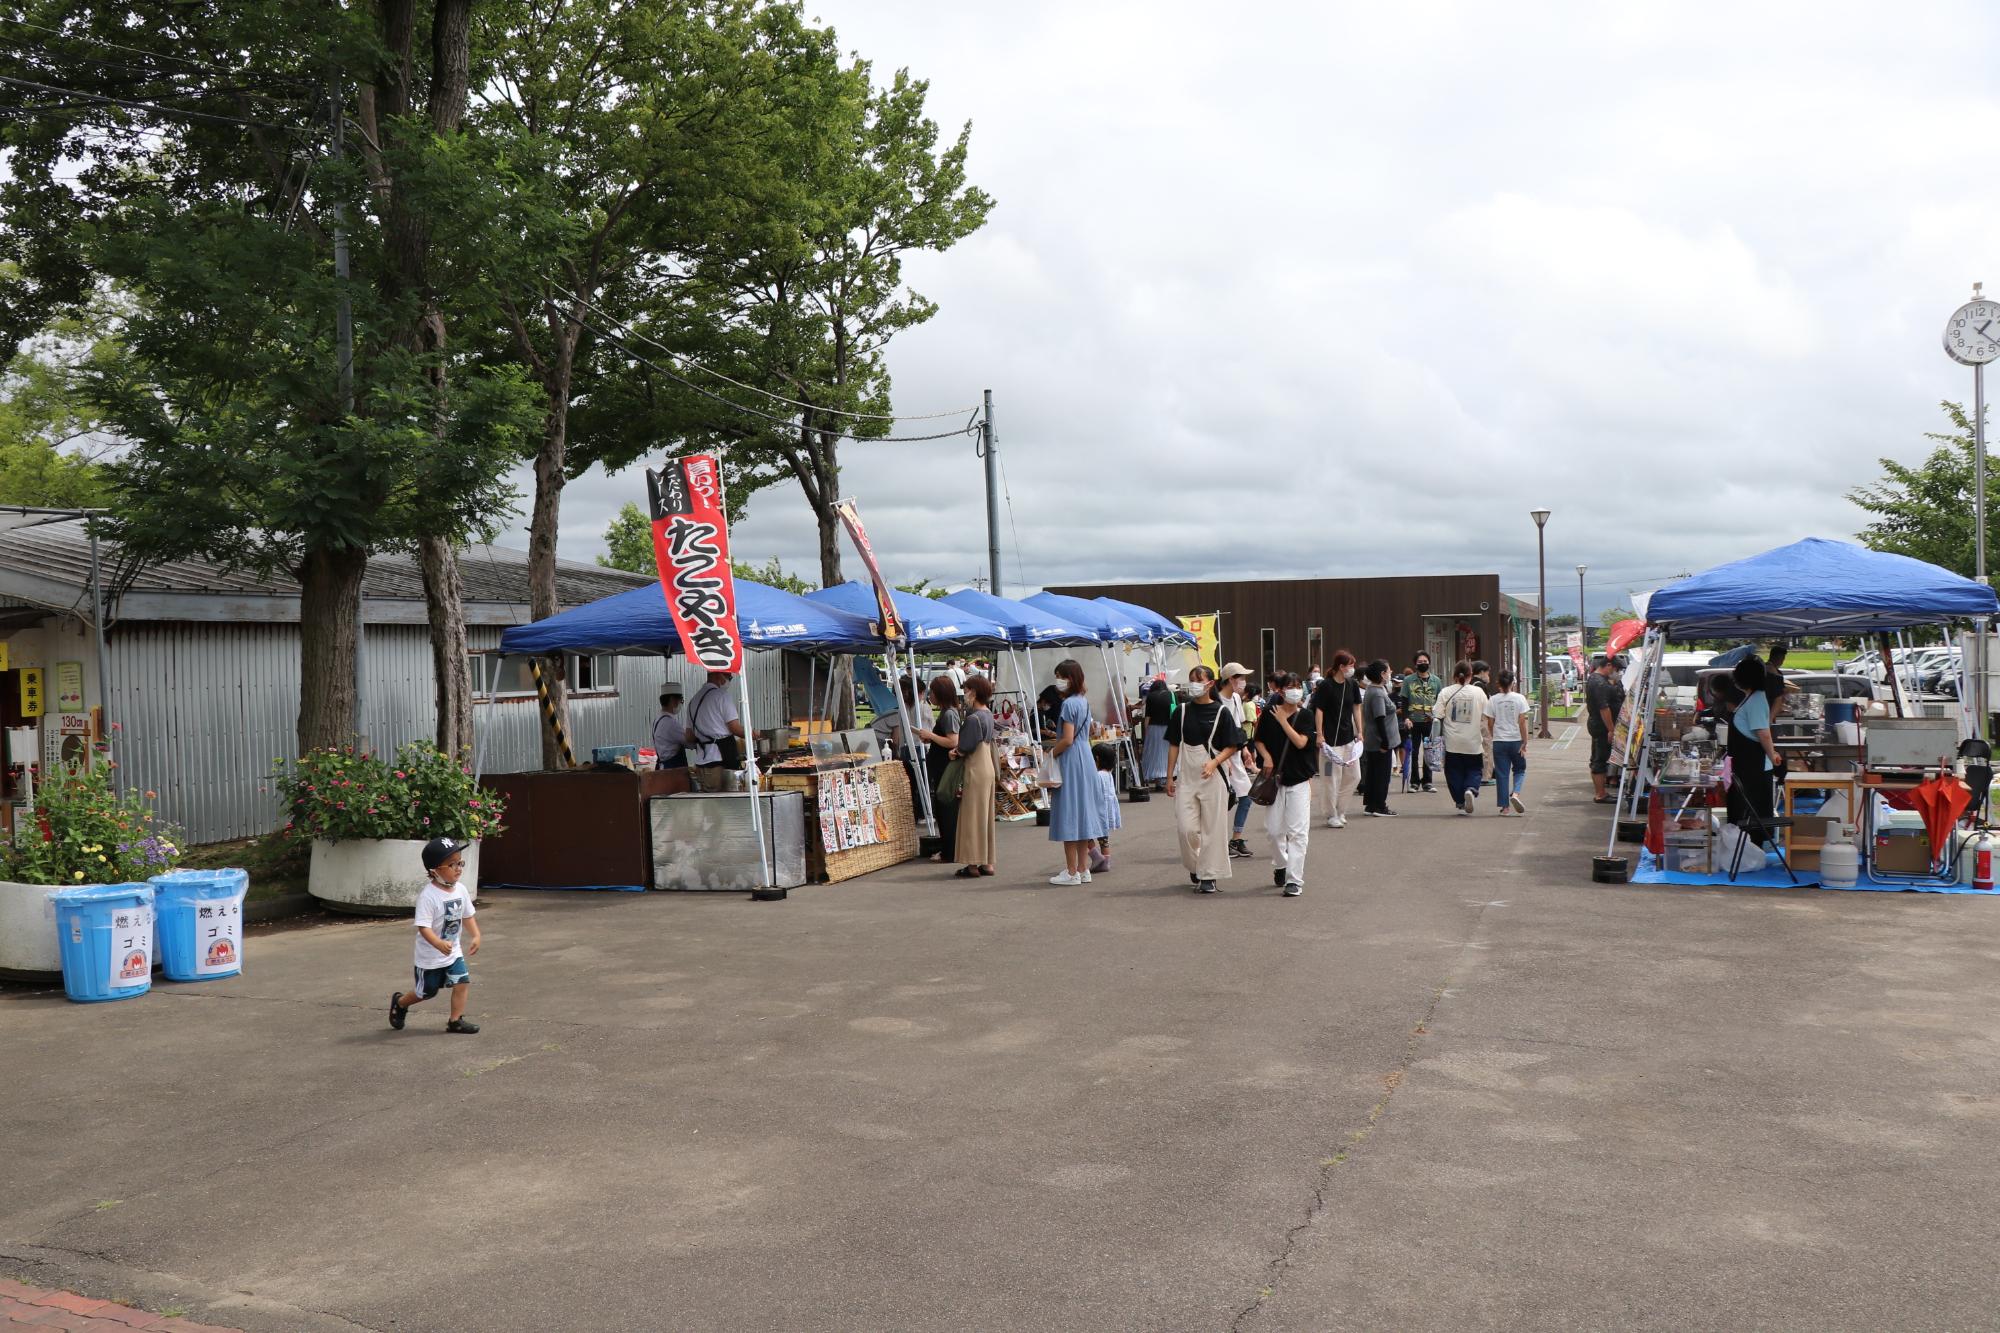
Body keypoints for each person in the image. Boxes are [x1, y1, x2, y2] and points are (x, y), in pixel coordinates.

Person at [388, 837, 482, 1035]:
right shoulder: (428, 896)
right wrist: (438, 943)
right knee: (427, 992)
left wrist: (476, 935)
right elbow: (423, 927)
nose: (458, 868)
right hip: (429, 957)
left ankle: (455, 1021)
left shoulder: (461, 890)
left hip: (453, 952)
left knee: (462, 982)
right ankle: (401, 1002)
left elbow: (468, 915)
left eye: (460, 862)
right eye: (452, 864)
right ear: (435, 871)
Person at [1168, 664, 1245, 893]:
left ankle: (1209, 876)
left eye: (1198, 680)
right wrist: (1169, 776)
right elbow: (1173, 744)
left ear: (1210, 684)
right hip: (1187, 776)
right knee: (1186, 828)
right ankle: (1197, 865)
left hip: (1214, 776)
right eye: (1191, 679)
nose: (1194, 684)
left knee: (1213, 828)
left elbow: (1233, 745)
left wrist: (1214, 762)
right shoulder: (1180, 711)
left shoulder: (1222, 712)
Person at [1255, 672, 1318, 896]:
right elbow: (1258, 739)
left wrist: (1284, 722)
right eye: (1289, 686)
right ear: (1279, 691)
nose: (1294, 690)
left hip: (1299, 780)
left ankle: (1294, 880)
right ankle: (1281, 864)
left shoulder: (1306, 716)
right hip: (1275, 781)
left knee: (1298, 833)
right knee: (1273, 831)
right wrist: (1267, 757)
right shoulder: (1268, 714)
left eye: (1297, 685)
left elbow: (1301, 742)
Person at [1045, 659, 1107, 885]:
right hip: (1086, 757)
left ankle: (1071, 871)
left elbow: (1067, 739)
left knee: (1069, 814)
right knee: (1083, 815)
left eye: (1061, 676)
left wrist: (1050, 755)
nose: (1058, 681)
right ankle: (1083, 869)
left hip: (1071, 760)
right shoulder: (1083, 701)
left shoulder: (1069, 704)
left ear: (1070, 678)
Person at [1726, 655, 1784, 832]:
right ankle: (1744, 846)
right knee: (1743, 810)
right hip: (1746, 765)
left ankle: (1752, 847)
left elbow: (1763, 733)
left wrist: (1772, 755)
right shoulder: (1750, 698)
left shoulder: (1757, 699)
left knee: (1753, 814)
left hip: (1754, 767)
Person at [951, 675, 997, 878]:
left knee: (971, 817)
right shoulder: (988, 714)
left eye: (967, 689)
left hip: (975, 767)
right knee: (985, 816)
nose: (965, 694)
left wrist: (954, 752)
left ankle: (971, 865)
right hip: (988, 765)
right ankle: (987, 863)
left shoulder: (972, 718)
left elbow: (965, 747)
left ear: (974, 692)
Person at [1311, 649, 1362, 828]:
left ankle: (1341, 810)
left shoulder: (1352, 684)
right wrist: (1320, 734)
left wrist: (1360, 731)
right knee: (1330, 779)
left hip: (1348, 739)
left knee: (1354, 776)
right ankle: (1331, 814)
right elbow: (1319, 710)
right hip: (1329, 742)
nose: (1352, 669)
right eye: (1350, 665)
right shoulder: (1326, 685)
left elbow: (1356, 708)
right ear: (1341, 667)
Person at [915, 676, 961, 864]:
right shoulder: (945, 712)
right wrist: (931, 738)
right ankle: (948, 849)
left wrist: (931, 736)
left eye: (932, 692)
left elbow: (953, 741)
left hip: (945, 768)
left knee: (946, 810)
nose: (930, 696)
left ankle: (949, 851)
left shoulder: (949, 714)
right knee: (943, 811)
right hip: (940, 765)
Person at [1435, 661, 1489, 815]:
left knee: (1453, 772)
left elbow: (1437, 715)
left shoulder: (1445, 692)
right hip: (1473, 741)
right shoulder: (1478, 692)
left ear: (1454, 675)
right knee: (1474, 769)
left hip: (1452, 742)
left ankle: (1460, 800)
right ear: (1470, 675)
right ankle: (1471, 789)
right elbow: (1487, 713)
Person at [1220, 662, 1257, 859]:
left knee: (1246, 796)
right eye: (1241, 677)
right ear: (1231, 679)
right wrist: (1222, 760)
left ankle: (1235, 839)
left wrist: (1244, 750)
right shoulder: (1215, 701)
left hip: (1235, 755)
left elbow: (1238, 728)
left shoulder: (1235, 699)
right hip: (1219, 758)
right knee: (1220, 802)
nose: (1244, 682)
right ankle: (1218, 841)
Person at [685, 670, 745, 791]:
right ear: (718, 675)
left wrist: (705, 735)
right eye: (729, 677)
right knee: (723, 804)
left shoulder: (693, 701)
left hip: (701, 763)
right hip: (720, 762)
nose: (729, 681)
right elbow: (735, 728)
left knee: (708, 803)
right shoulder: (722, 696)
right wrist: (757, 734)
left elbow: (689, 736)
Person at [1484, 668, 1531, 815]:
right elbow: (1522, 722)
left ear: (1498, 682)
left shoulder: (1493, 700)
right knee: (1520, 769)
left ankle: (1505, 808)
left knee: (1502, 773)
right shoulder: (1519, 698)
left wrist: (1494, 736)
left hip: (1499, 741)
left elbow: (1490, 722)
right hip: (1516, 740)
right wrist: (1525, 741)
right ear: (1512, 683)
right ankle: (1516, 794)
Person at [1358, 660, 1399, 817]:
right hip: (1379, 740)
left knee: (1374, 773)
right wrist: (1385, 741)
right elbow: (1379, 718)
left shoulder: (1375, 689)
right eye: (1388, 671)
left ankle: (1371, 804)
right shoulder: (1376, 692)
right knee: (1381, 775)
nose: (1390, 672)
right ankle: (1379, 805)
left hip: (1376, 739)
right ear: (1382, 674)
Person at [1401, 653, 1443, 792]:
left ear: (1429, 663)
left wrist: (1437, 717)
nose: (1423, 663)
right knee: (1413, 752)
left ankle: (1427, 782)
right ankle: (1414, 782)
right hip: (1413, 721)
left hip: (1430, 722)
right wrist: (1406, 718)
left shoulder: (1436, 681)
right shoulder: (1408, 680)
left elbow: (1439, 701)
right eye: (1420, 661)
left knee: (1429, 751)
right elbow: (1405, 701)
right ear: (1415, 664)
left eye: (1425, 661)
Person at [1585, 656, 1624, 803]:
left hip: (1597, 724)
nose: (1617, 673)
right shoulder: (1599, 683)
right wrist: (1611, 729)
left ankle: (1601, 792)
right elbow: (1604, 708)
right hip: (1601, 726)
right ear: (1608, 665)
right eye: (1616, 669)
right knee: (1600, 759)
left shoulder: (1596, 679)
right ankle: (1600, 794)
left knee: (1598, 757)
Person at [1089, 742, 1122, 873]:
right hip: (1107, 810)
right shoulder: (1108, 773)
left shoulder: (1097, 775)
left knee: (1085, 835)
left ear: (1096, 758)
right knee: (1104, 839)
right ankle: (1106, 862)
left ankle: (1096, 857)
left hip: (1098, 810)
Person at [1139, 676, 1173, 790]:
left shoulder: (1150, 697)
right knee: (1166, 754)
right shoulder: (1171, 695)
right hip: (1168, 729)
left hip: (1153, 729)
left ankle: (1157, 781)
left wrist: (1146, 731)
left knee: (1154, 754)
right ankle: (1166, 779)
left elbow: (1147, 717)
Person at [651, 691, 687, 771]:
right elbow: (689, 741)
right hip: (673, 771)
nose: (680, 704)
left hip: (663, 768)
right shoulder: (670, 723)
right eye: (680, 701)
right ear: (672, 700)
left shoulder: (657, 720)